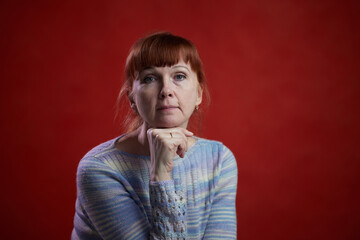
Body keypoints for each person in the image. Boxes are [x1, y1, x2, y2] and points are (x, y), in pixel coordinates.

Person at [71, 32, 238, 240]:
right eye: (150, 78)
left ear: (199, 94)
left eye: (179, 76)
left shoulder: (219, 160)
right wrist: (160, 174)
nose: (166, 90)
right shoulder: (98, 169)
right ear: (132, 98)